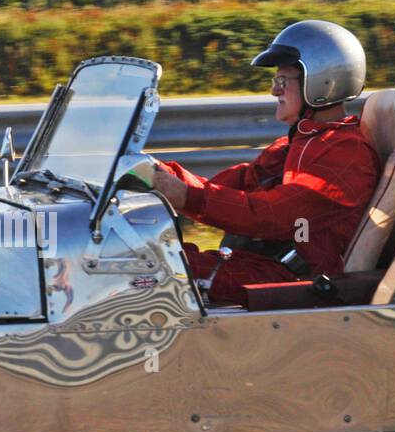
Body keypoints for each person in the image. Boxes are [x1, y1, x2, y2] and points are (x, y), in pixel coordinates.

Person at [151, 20, 380, 306]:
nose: (274, 91)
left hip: (300, 283)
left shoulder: (346, 155)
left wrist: (188, 196)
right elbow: (239, 184)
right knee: (145, 258)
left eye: (282, 82)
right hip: (267, 265)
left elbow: (271, 215)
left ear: (322, 83)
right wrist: (157, 174)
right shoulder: (297, 143)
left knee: (153, 273)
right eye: (275, 82)